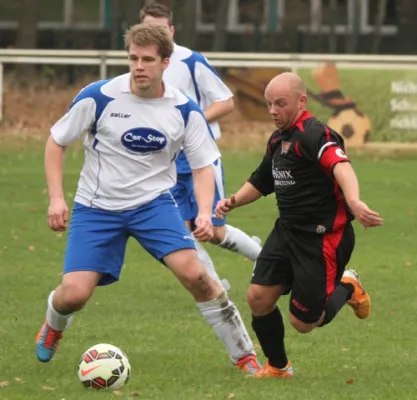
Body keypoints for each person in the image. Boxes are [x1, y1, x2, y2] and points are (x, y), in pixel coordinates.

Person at [35, 23, 262, 375]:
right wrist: (55, 199)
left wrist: (204, 212)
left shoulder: (185, 110)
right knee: (74, 295)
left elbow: (203, 166)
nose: (139, 66)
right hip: (97, 208)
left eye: (147, 59)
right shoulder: (99, 96)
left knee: (198, 276)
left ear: (165, 63)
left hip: (154, 206)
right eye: (133, 58)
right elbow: (56, 141)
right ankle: (53, 323)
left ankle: (245, 355)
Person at [216, 72, 383, 378]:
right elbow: (262, 179)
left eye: (280, 104)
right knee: (258, 297)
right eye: (269, 104)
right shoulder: (279, 138)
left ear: (301, 101)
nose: (273, 111)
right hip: (287, 232)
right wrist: (234, 200)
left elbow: (341, 166)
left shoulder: (314, 134)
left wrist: (355, 202)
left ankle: (347, 285)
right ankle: (279, 367)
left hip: (322, 239)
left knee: (304, 323)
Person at [139, 4, 262, 283]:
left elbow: (227, 101)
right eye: (148, 31)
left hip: (199, 157)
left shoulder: (191, 60)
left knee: (214, 231)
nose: (155, 36)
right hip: (165, 162)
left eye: (160, 30)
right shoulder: (141, 66)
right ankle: (216, 286)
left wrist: (192, 120)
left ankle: (262, 256)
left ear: (170, 31)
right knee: (181, 231)